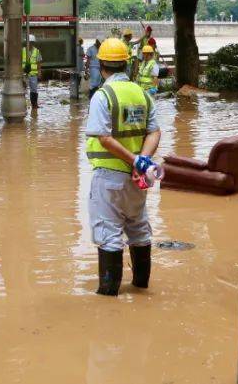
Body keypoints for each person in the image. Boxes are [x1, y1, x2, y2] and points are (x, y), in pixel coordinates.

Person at [85, 38, 161, 295]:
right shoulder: (142, 93)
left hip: (109, 179)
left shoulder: (102, 96)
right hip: (138, 179)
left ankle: (108, 298)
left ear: (101, 64)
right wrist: (142, 160)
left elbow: (104, 138)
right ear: (127, 64)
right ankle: (141, 289)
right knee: (139, 229)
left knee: (108, 234)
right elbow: (155, 132)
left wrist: (134, 160)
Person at [22, 35, 43, 109]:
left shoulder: (36, 51)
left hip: (33, 74)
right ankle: (22, 105)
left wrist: (39, 72)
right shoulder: (22, 50)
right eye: (28, 42)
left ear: (33, 43)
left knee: (34, 90)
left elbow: (39, 62)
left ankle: (34, 105)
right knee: (22, 90)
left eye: (31, 42)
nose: (30, 44)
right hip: (24, 74)